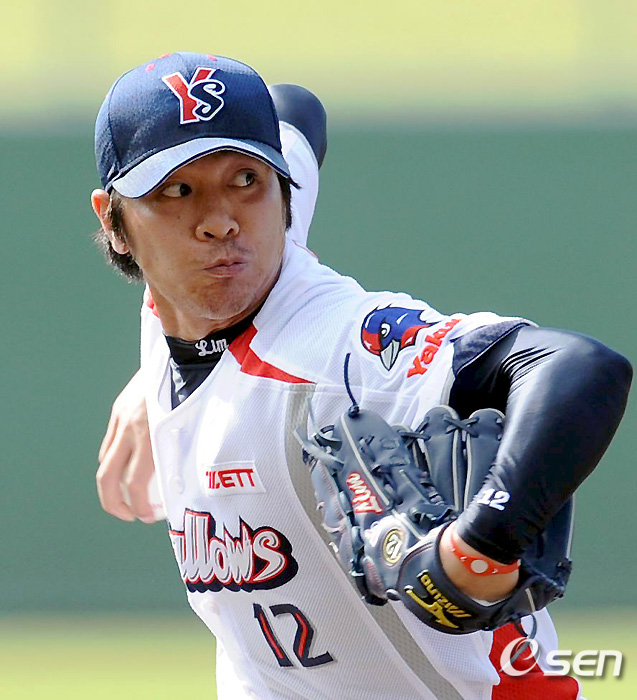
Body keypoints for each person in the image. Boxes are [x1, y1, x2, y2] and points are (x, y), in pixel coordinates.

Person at [91, 52, 631, 700]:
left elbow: (580, 368)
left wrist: (480, 543)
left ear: (285, 191)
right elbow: (295, 107)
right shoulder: (182, 308)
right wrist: (156, 368)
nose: (222, 220)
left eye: (247, 179)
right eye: (177, 191)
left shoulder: (334, 351)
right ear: (113, 222)